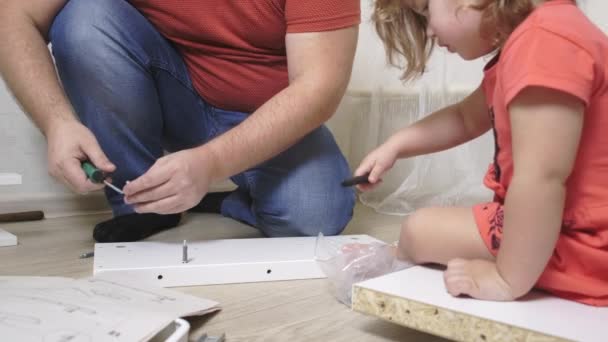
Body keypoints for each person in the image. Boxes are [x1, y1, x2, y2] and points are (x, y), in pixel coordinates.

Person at [0, 0, 359, 242]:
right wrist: (57, 122)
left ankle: (222, 198)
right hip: (175, 93)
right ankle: (141, 201)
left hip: (269, 115)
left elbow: (319, 87)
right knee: (85, 18)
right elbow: (12, 15)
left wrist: (211, 162)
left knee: (315, 220)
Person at [355, 0, 608, 305]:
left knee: (417, 232)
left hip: (587, 246)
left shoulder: (544, 44)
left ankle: (402, 257)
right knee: (424, 231)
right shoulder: (543, 34)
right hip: (575, 229)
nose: (430, 31)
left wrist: (507, 278)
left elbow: (541, 178)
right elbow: (465, 117)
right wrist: (395, 146)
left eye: (425, 10)